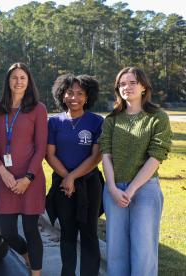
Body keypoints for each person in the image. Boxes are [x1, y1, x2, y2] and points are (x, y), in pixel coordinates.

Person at [98, 67, 172, 276]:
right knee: (116, 250)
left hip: (145, 190)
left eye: (132, 82)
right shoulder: (112, 119)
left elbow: (156, 156)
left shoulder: (157, 117)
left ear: (143, 87)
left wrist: (130, 190)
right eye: (122, 84)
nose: (126, 87)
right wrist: (111, 187)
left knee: (144, 249)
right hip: (114, 190)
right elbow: (106, 154)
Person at [0, 62, 48, 276]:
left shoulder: (38, 108)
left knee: (31, 230)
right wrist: (2, 171)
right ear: (8, 81)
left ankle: (36, 272)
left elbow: (41, 147)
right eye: (14, 77)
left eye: (22, 78)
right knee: (8, 233)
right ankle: (28, 256)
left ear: (28, 82)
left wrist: (28, 178)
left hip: (31, 179)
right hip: (7, 178)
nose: (18, 82)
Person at [45, 74, 104, 276]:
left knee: (89, 234)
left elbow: (96, 157)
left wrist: (71, 178)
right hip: (63, 186)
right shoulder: (54, 122)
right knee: (67, 235)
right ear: (62, 95)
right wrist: (66, 178)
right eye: (70, 92)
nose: (74, 97)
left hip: (89, 184)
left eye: (80, 93)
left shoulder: (96, 121)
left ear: (88, 97)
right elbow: (49, 154)